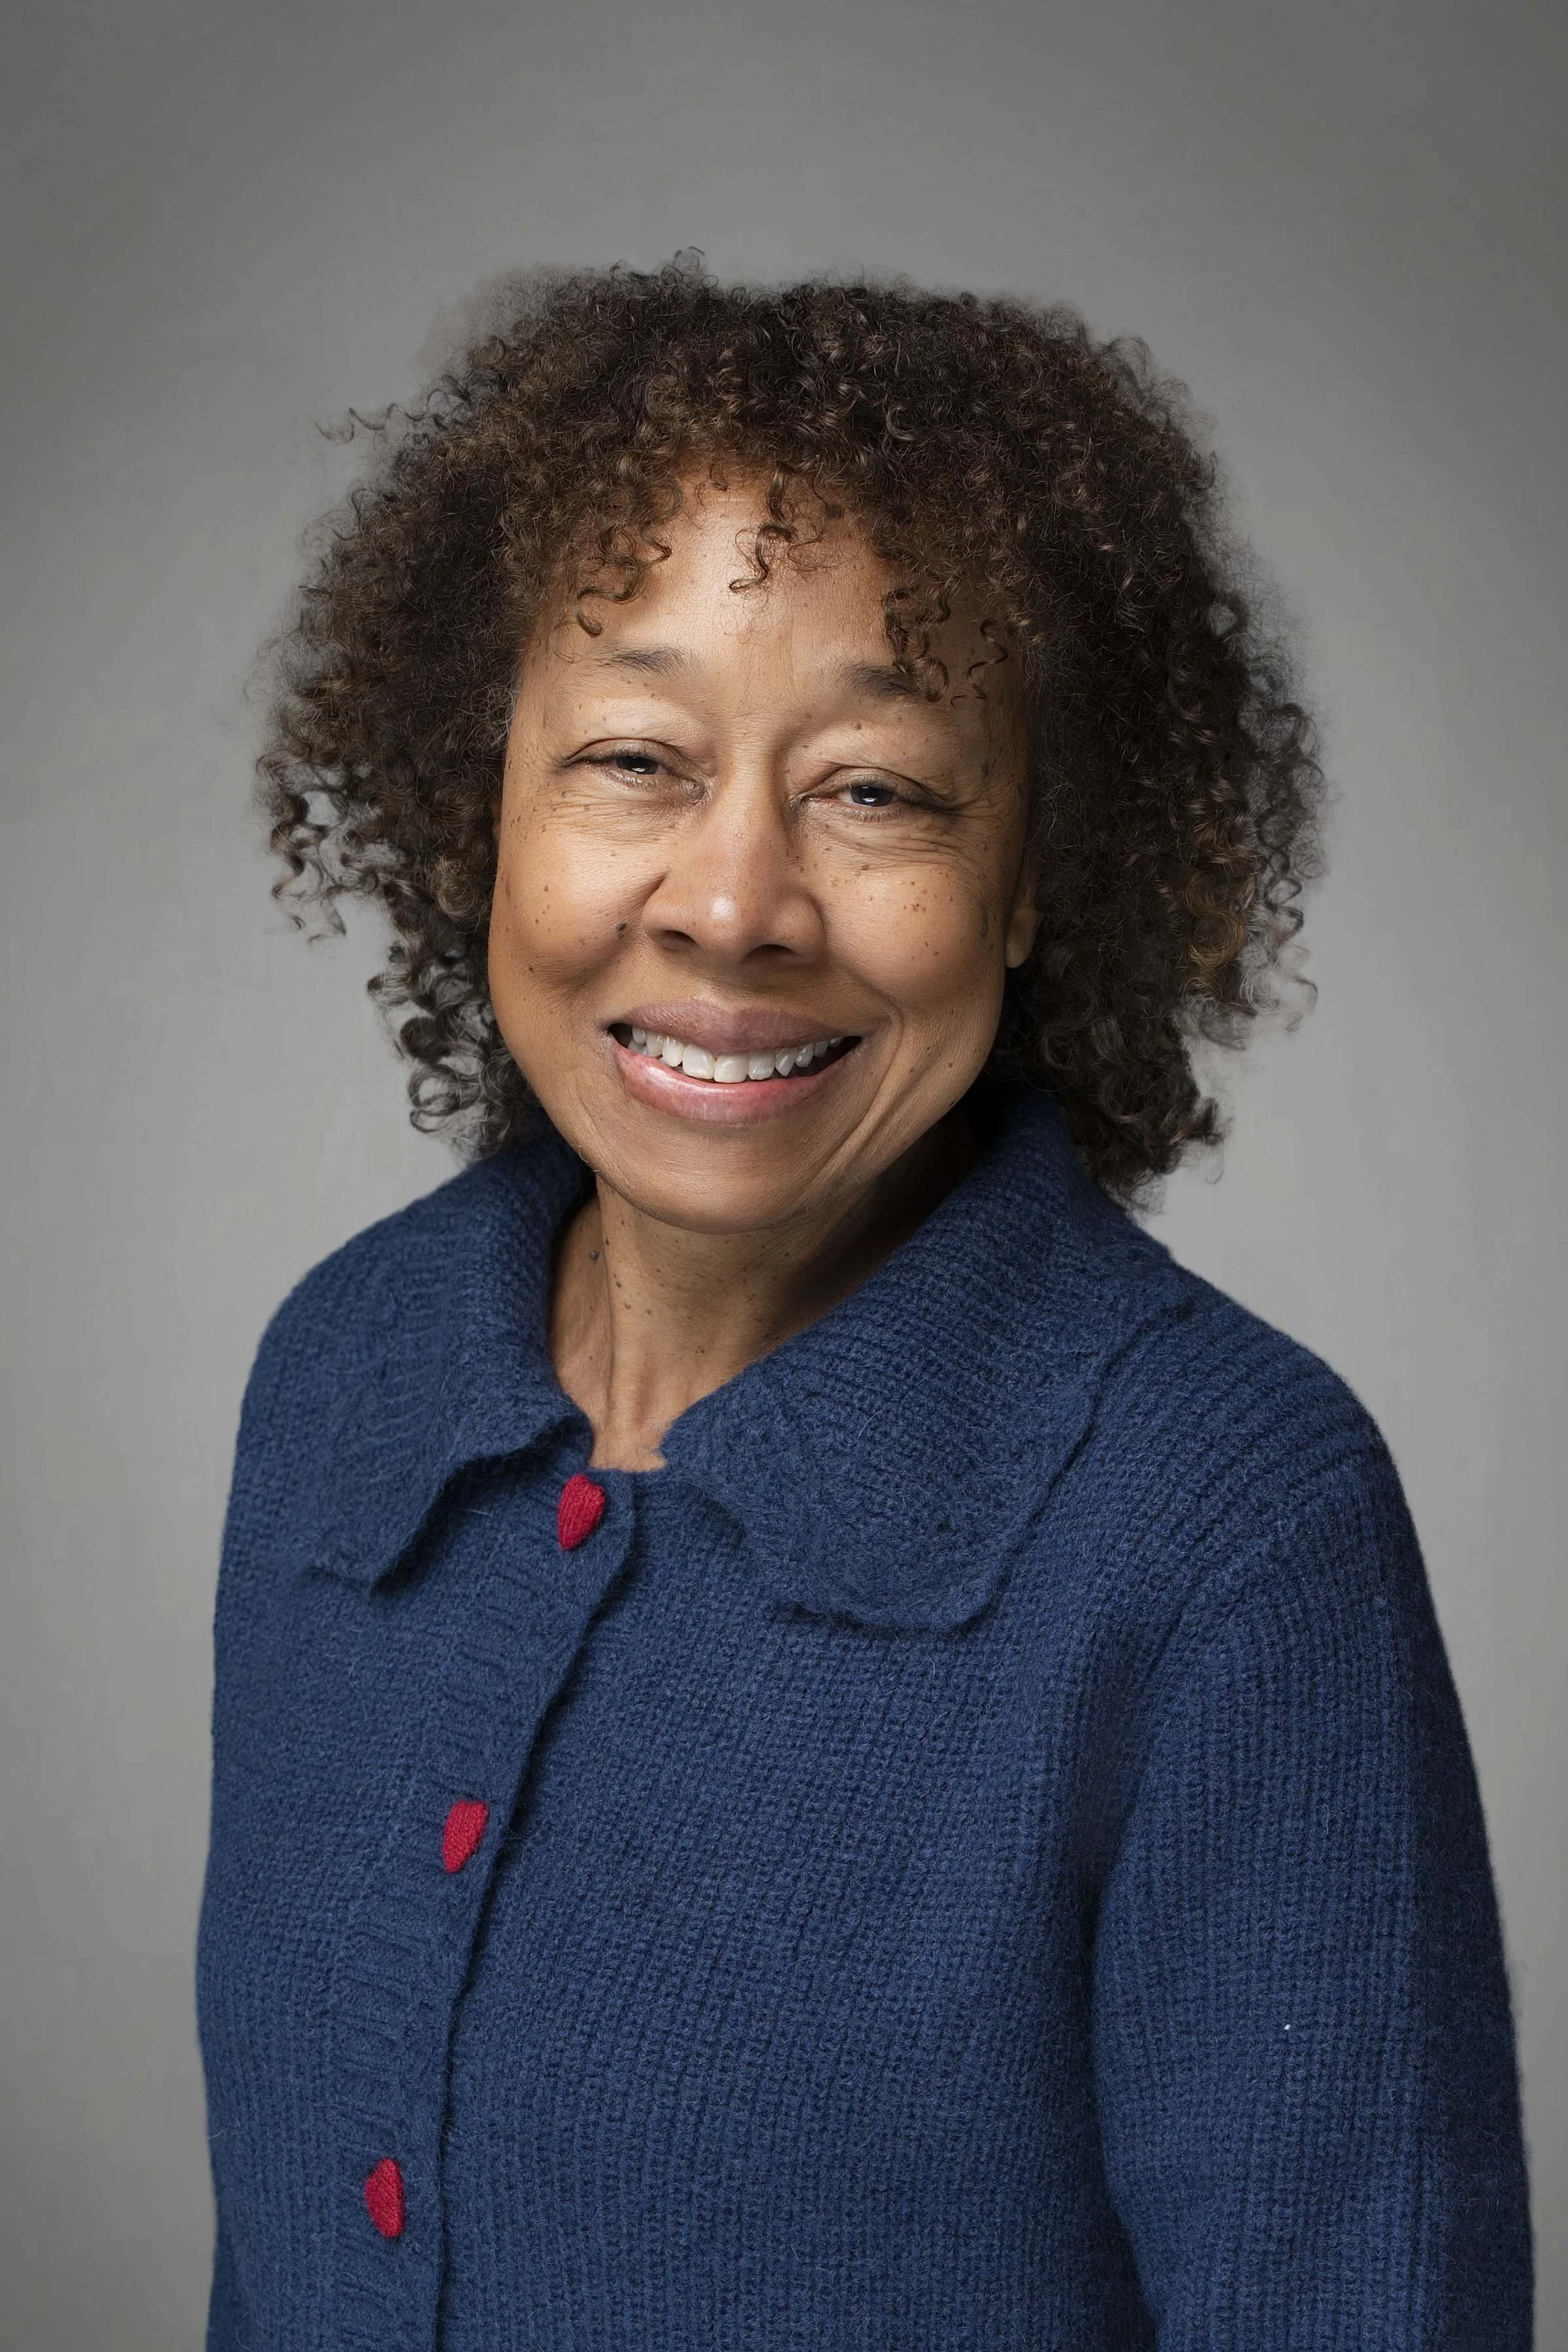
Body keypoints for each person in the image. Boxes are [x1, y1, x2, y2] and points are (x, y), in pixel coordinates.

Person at [197, 261, 1531, 2350]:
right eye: (634, 757)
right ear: (486, 811)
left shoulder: (1227, 1534)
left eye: (880, 791)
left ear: (1032, 885)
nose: (733, 901)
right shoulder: (347, 1377)